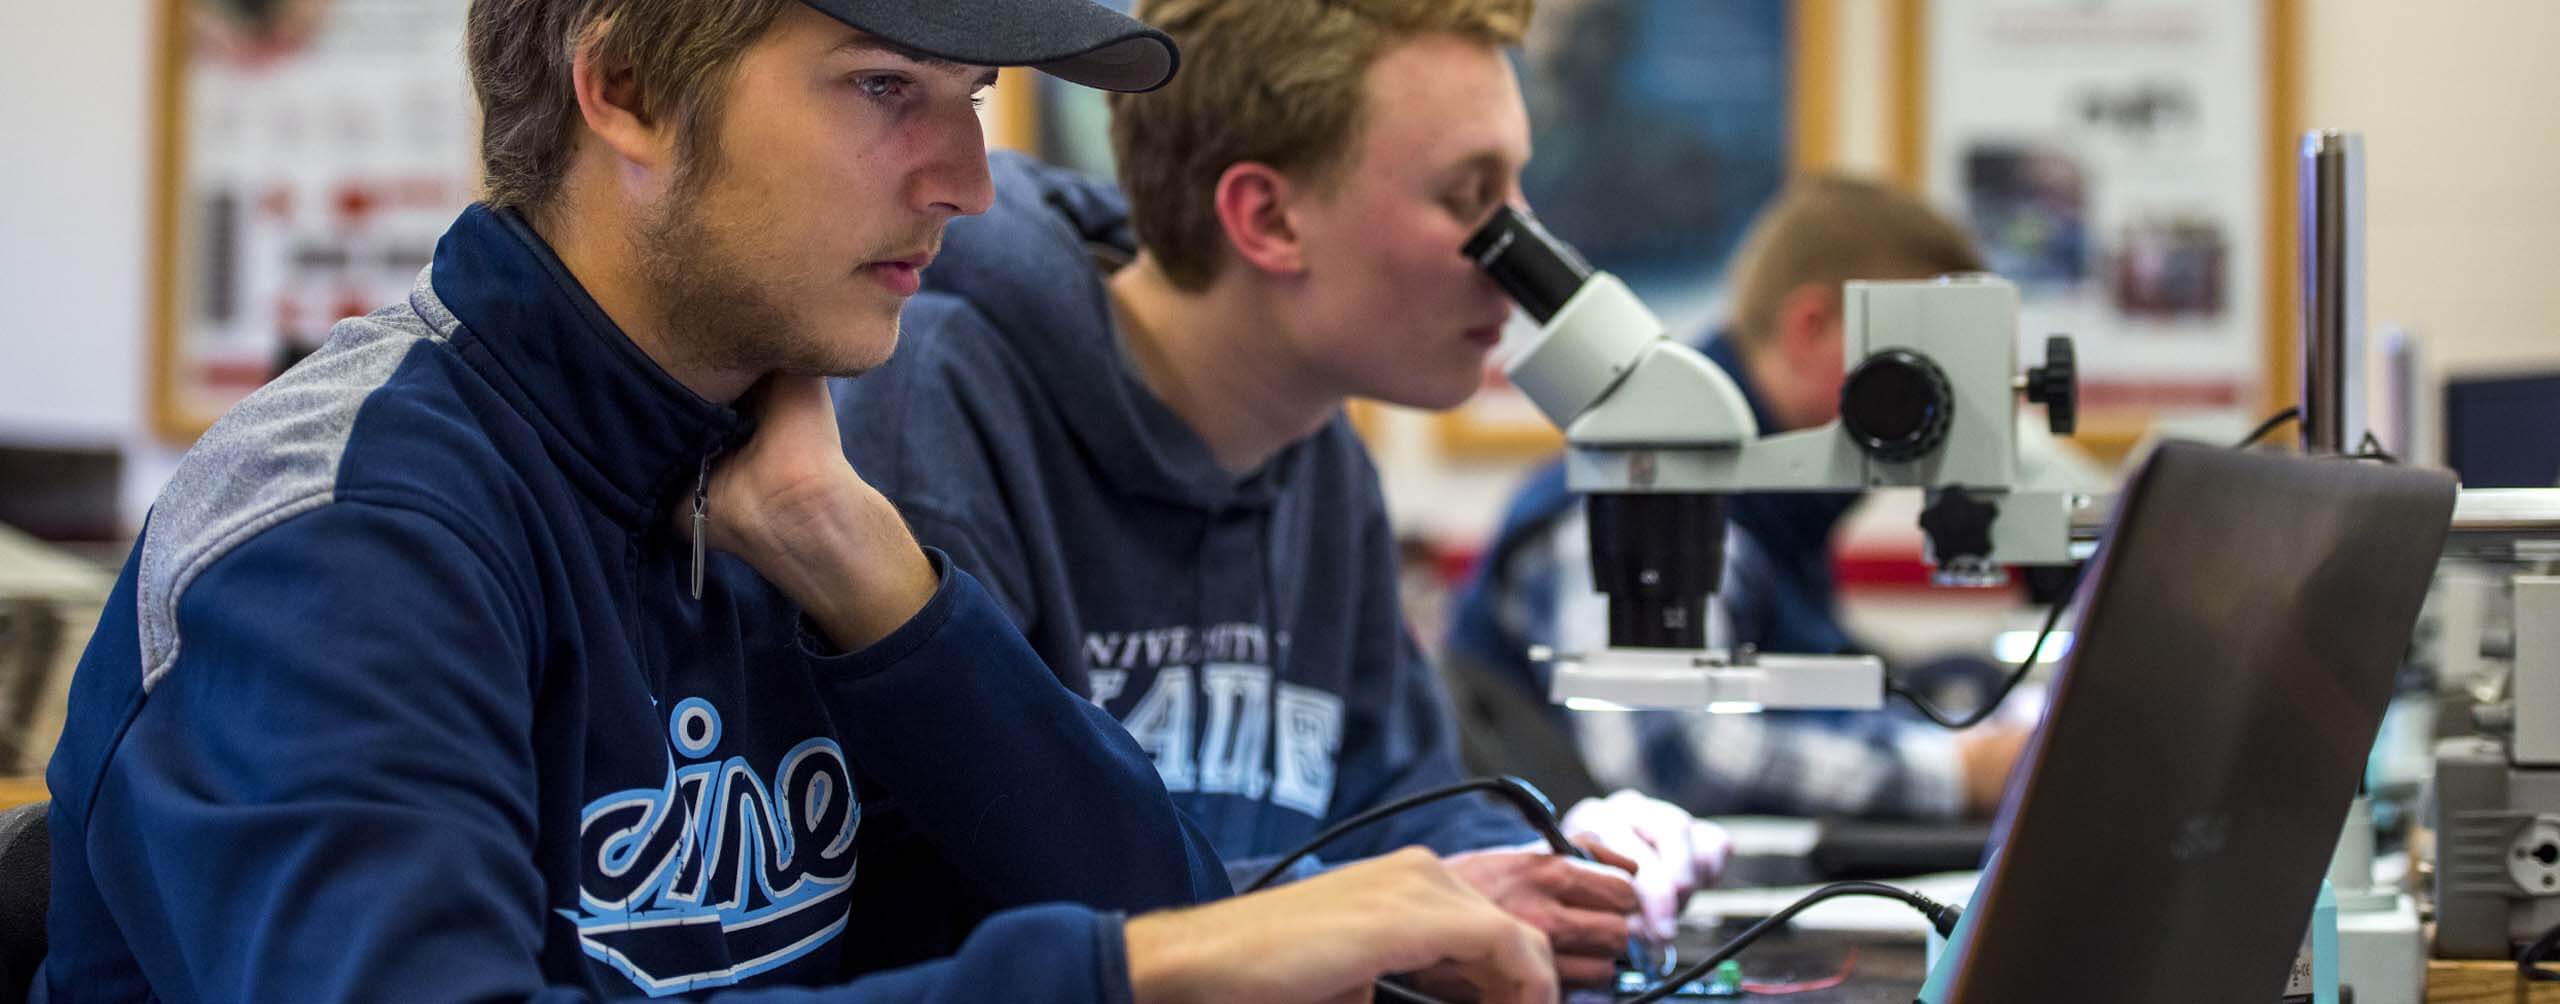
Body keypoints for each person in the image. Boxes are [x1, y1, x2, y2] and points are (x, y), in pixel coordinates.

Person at [41, 2, 1562, 1002]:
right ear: (627, 86)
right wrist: (1129, 975)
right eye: (886, 88)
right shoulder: (345, 535)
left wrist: (892, 600)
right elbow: (1161, 956)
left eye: (972, 98)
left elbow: (1158, 911)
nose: (969, 181)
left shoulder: (794, 492)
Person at [831, 0, 1726, 988]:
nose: (1519, 268)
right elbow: (978, 912)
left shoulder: (1318, 450)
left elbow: (1407, 803)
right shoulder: (934, 407)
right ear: (1266, 218)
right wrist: (1385, 916)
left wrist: (1554, 865)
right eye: (1471, 198)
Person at [1444, 174, 2037, 822]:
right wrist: (1958, 773)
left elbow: (1809, 692)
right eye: (1927, 364)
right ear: (1810, 327)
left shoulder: (1778, 507)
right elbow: (1669, 761)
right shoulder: (1645, 498)